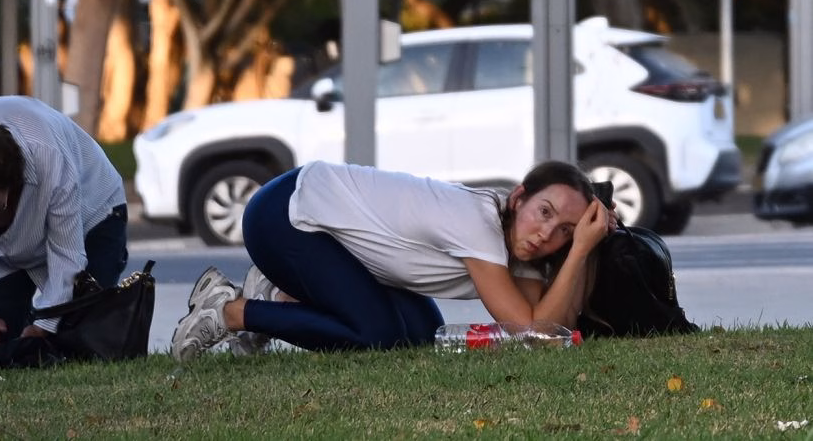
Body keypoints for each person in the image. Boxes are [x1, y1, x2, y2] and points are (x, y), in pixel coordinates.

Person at [171, 159, 615, 360]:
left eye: (565, 232)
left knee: (421, 336)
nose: (546, 234)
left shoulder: (526, 251)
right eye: (545, 213)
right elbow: (528, 328)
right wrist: (578, 247)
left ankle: (280, 293)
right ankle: (230, 311)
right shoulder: (478, 223)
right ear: (519, 198)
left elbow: (550, 332)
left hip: (332, 238)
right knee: (377, 336)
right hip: (284, 216)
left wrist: (582, 250)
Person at [0, 95, 128, 359]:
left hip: (93, 213)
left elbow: (67, 255)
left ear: (14, 182)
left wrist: (42, 328)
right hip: (3, 255)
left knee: (79, 347)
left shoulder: (47, 157)